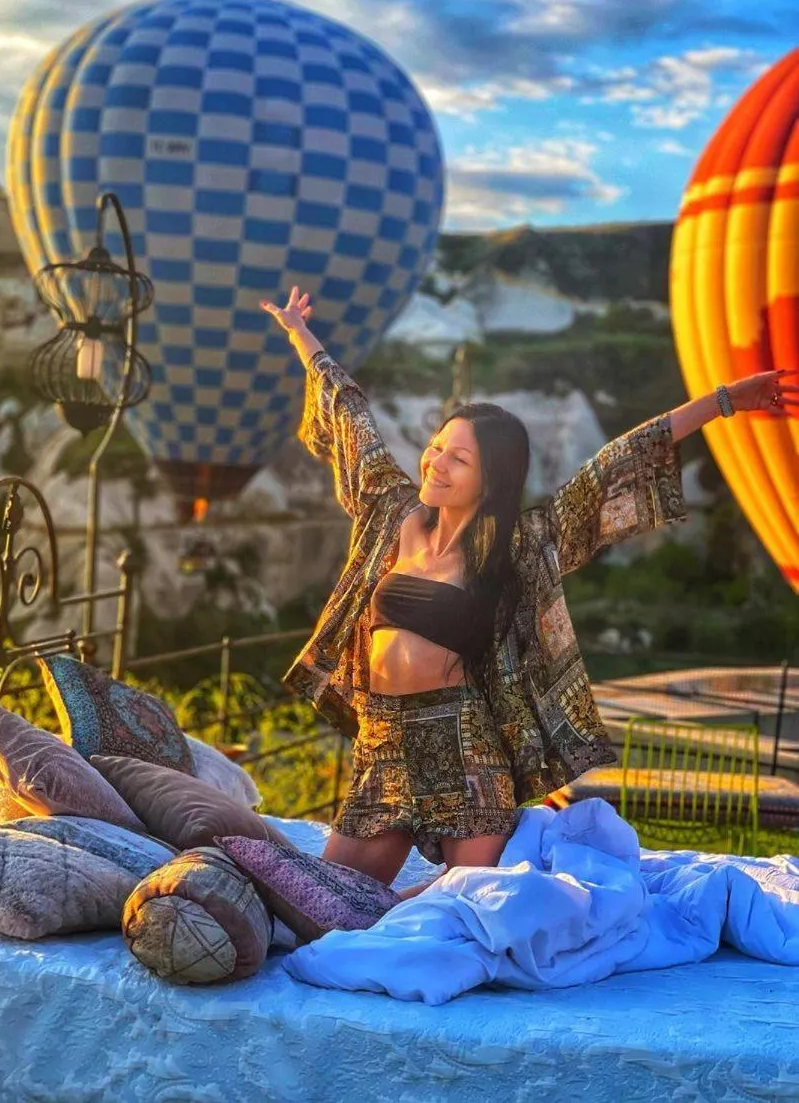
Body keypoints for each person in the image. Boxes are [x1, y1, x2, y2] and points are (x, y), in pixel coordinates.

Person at [261, 286, 797, 892]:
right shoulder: (389, 511)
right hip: (382, 742)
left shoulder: (517, 545)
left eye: (456, 460)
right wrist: (300, 336)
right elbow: (349, 414)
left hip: (465, 746)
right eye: (436, 447)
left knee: (463, 909)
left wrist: (723, 400)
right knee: (327, 902)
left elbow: (609, 470)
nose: (434, 462)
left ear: (491, 479)